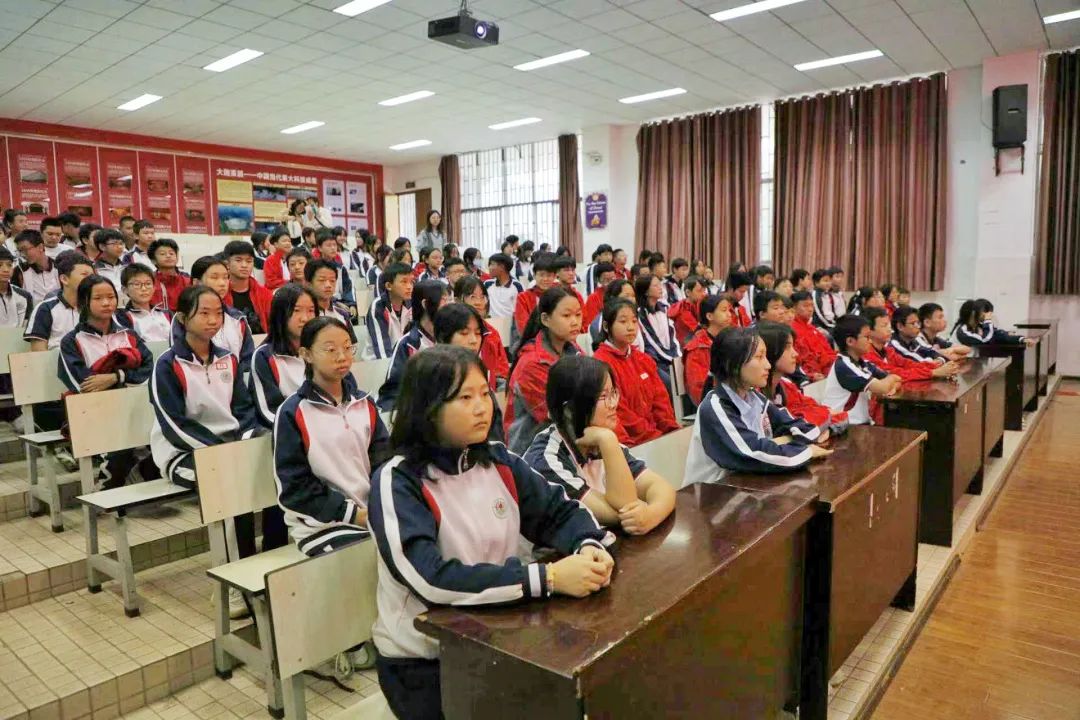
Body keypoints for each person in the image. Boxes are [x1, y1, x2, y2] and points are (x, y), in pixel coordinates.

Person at [367, 345, 612, 719]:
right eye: (465, 398)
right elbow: (430, 579)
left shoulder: (498, 459)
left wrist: (587, 544)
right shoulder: (398, 481)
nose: (483, 407)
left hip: (498, 634)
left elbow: (558, 511)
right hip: (425, 661)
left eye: (485, 393)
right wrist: (547, 577)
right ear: (427, 407)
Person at [151, 285, 279, 617]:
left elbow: (243, 410)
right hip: (182, 452)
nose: (212, 320)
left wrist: (246, 440)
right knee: (226, 486)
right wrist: (220, 452)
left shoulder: (228, 359)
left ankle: (269, 565)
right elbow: (174, 424)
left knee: (276, 467)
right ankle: (234, 588)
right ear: (183, 318)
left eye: (218, 313)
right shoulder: (167, 364)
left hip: (230, 445)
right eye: (204, 313)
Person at [274, 315, 390, 555]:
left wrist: (380, 504)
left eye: (347, 348)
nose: (342, 356)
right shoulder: (293, 412)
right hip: (320, 524)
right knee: (378, 550)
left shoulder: (364, 403)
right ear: (306, 354)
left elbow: (383, 461)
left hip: (369, 511)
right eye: (330, 350)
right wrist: (353, 514)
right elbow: (295, 487)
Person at [524, 355, 676, 534]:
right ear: (569, 409)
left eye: (613, 393)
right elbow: (621, 514)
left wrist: (651, 514)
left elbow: (661, 488)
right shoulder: (546, 459)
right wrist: (608, 440)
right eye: (603, 396)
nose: (614, 404)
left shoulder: (599, 440)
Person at [682, 327, 832, 488]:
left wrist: (790, 439)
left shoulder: (755, 397)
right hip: (713, 493)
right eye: (759, 357)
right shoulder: (715, 407)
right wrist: (805, 452)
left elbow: (800, 427)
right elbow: (753, 453)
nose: (768, 365)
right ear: (733, 364)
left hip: (747, 485)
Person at [58, 275, 157, 489]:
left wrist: (116, 377)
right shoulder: (72, 341)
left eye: (111, 297)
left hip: (132, 407)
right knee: (120, 453)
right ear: (84, 302)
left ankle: (136, 472)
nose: (106, 303)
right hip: (95, 412)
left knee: (160, 442)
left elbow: (149, 368)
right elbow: (84, 384)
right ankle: (108, 484)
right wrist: (126, 378)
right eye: (98, 298)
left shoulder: (128, 335)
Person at [505, 287, 582, 453]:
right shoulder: (531, 364)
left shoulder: (574, 350)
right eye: (566, 316)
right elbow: (561, 417)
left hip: (566, 443)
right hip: (532, 451)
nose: (575, 322)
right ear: (546, 319)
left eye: (578, 314)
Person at [593, 300, 680, 446]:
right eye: (623, 321)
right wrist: (653, 436)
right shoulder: (600, 364)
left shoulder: (643, 359)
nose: (630, 327)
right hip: (629, 443)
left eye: (634, 321)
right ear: (607, 326)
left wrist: (670, 430)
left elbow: (661, 400)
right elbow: (618, 413)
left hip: (656, 437)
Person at [251, 284, 320, 428]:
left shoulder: (323, 350)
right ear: (281, 315)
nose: (305, 318)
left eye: (311, 310)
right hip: (289, 429)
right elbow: (268, 411)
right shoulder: (264, 356)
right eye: (296, 310)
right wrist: (304, 429)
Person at [757, 321, 848, 430]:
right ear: (768, 351)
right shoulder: (754, 395)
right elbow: (793, 427)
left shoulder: (787, 386)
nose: (795, 354)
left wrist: (818, 426)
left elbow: (836, 415)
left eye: (793, 347)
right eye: (787, 348)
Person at [376, 280, 448, 412]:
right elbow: (392, 392)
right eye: (444, 300)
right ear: (425, 304)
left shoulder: (450, 338)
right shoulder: (407, 344)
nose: (449, 306)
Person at [823, 315, 903, 425]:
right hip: (843, 426)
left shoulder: (863, 363)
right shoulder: (844, 366)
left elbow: (897, 379)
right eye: (867, 337)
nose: (870, 341)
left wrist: (891, 384)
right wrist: (891, 379)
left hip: (860, 423)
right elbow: (883, 387)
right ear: (850, 341)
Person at [187, 255, 255, 373]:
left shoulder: (237, 318)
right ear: (196, 283)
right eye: (214, 277)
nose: (222, 283)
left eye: (225, 277)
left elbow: (248, 358)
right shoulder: (185, 318)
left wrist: (234, 377)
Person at [862, 308, 960, 389]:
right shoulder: (867, 354)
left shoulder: (887, 350)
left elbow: (908, 364)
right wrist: (933, 372)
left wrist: (937, 366)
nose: (889, 329)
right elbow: (895, 373)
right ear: (869, 331)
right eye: (884, 326)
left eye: (889, 325)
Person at [26, 252, 93, 351]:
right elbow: (38, 353)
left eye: (92, 275)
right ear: (64, 279)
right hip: (55, 359)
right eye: (85, 275)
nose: (91, 280)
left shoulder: (96, 307)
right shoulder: (45, 308)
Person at [454, 276, 509, 390]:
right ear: (457, 300)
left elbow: (502, 369)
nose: (478, 302)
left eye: (482, 297)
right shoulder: (451, 330)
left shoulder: (492, 333)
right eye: (472, 297)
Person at [684, 294, 734, 406]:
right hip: (715, 404)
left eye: (729, 310)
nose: (729, 314)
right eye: (724, 310)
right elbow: (699, 389)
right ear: (710, 316)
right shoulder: (698, 348)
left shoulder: (733, 340)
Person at [634, 274, 680, 390]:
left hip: (669, 356)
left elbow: (672, 335)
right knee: (670, 383)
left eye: (660, 284)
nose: (660, 288)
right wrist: (669, 358)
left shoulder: (664, 309)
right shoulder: (640, 314)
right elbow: (651, 341)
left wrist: (677, 356)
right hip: (654, 359)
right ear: (646, 291)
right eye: (655, 285)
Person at [364, 262, 414, 360]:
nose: (409, 286)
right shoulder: (378, 307)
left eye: (411, 282)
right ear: (388, 286)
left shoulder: (411, 304)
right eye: (404, 282)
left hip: (403, 360)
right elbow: (382, 352)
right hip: (377, 363)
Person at [222, 240, 272, 334]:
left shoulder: (265, 294)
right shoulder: (220, 294)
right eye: (238, 260)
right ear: (227, 264)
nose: (244, 265)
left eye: (249, 261)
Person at [115, 264, 172, 342]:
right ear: (125, 289)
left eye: (148, 284)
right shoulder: (123, 317)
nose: (144, 288)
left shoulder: (167, 313)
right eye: (137, 284)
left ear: (154, 288)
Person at [790, 290, 837, 381]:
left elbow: (829, 352)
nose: (810, 309)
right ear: (794, 308)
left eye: (811, 305)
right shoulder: (792, 330)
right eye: (805, 306)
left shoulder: (813, 329)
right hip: (809, 378)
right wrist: (810, 376)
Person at [951, 299, 1034, 347]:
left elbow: (997, 335)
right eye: (984, 311)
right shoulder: (962, 331)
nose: (986, 314)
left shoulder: (979, 326)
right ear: (973, 313)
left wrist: (1022, 339)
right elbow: (984, 341)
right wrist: (987, 321)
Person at [305, 259, 355, 335]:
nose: (328, 285)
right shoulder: (304, 315)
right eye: (322, 280)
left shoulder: (342, 313)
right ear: (309, 284)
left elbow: (351, 342)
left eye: (332, 281)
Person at [512, 252, 557, 336]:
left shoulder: (560, 295)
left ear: (554, 276)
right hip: (532, 339)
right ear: (534, 275)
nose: (545, 279)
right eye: (541, 275)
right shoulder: (523, 298)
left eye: (549, 275)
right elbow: (524, 327)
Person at [587, 278, 638, 346]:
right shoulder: (599, 323)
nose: (631, 299)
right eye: (627, 296)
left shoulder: (635, 315)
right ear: (613, 298)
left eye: (633, 296)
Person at [13, 230, 60, 304]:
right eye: (19, 251)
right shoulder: (19, 271)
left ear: (40, 247)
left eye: (25, 249)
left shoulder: (59, 267)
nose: (22, 254)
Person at [148, 238, 191, 313]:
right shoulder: (149, 282)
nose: (168, 256)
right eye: (162, 254)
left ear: (177, 258)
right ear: (153, 260)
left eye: (171, 253)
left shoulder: (188, 281)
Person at [667, 275, 708, 347]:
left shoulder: (700, 303)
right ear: (688, 292)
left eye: (704, 291)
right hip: (685, 344)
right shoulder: (682, 309)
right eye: (699, 291)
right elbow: (697, 330)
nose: (703, 294)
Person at [484, 253, 524, 320]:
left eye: (492, 264)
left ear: (502, 267)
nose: (489, 267)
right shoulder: (487, 284)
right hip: (490, 323)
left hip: (510, 324)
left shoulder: (517, 286)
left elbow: (520, 310)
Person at [0, 248, 32, 328]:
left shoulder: (25, 296)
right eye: (0, 265)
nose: (6, 270)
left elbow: (26, 327)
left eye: (9, 265)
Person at [92, 229, 127, 298]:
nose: (120, 247)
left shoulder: (127, 268)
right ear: (102, 246)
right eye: (114, 243)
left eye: (121, 243)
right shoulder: (93, 269)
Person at [581, 261, 616, 327]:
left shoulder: (620, 293)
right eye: (606, 280)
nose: (610, 283)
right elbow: (593, 324)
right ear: (598, 280)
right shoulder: (593, 298)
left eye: (612, 279)